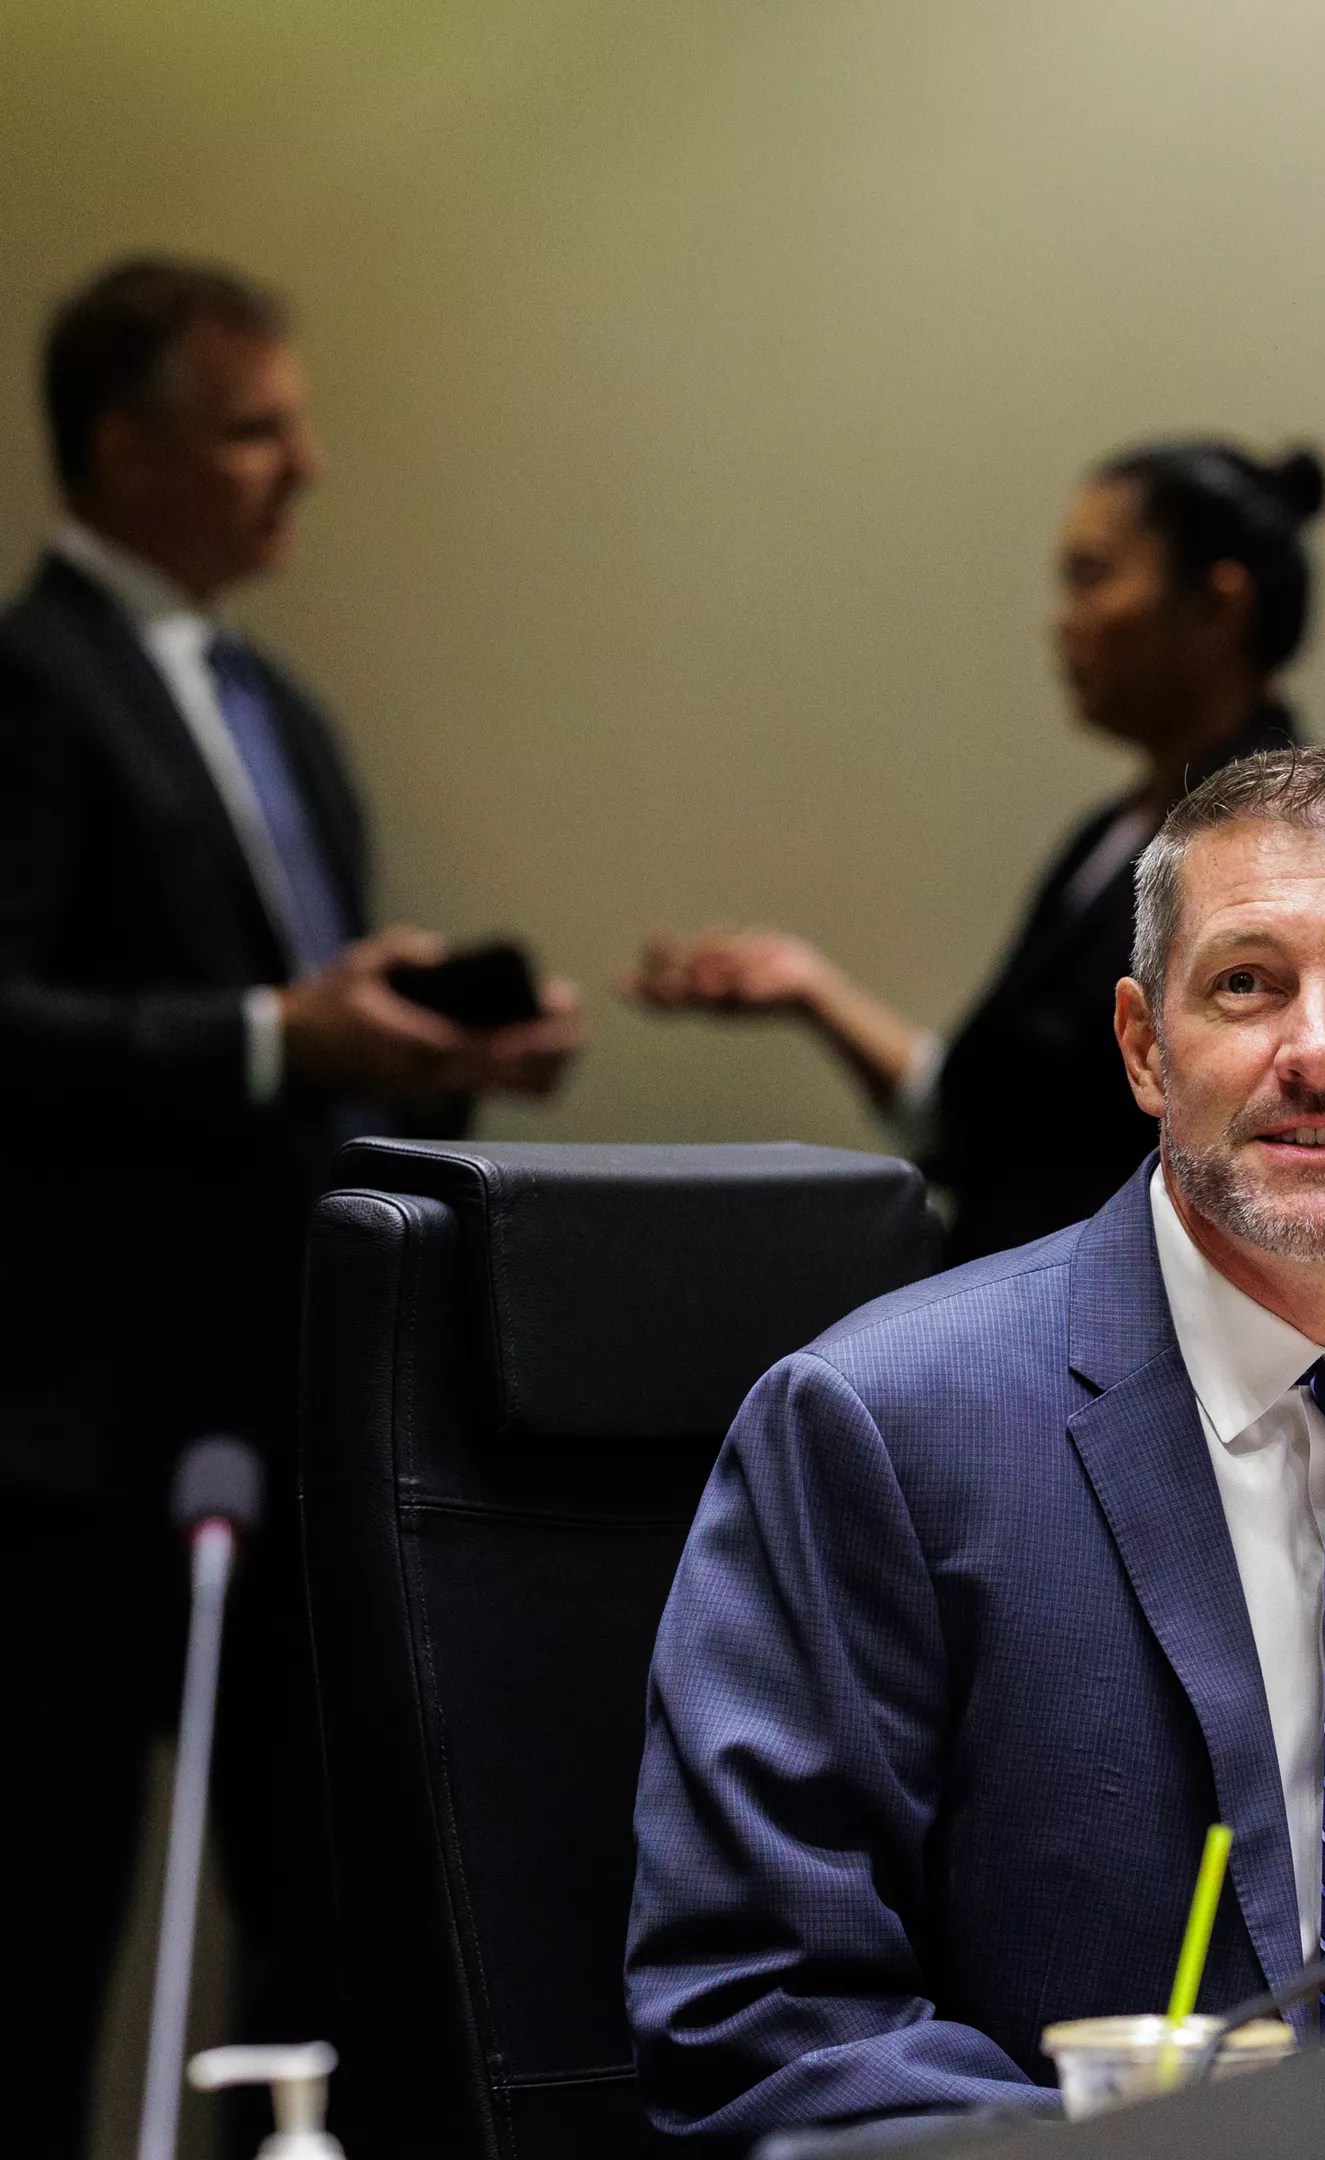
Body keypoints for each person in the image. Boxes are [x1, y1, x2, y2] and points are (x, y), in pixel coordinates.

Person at [627, 744, 1325, 2139]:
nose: (1316, 1050)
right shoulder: (880, 1428)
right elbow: (766, 2019)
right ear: (1147, 1047)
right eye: (1248, 985)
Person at [0, 256, 579, 2154]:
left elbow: (297, 1022)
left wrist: (404, 1045)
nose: (304, 466)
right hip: (78, 1436)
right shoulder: (33, 680)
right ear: (119, 448)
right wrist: (274, 1030)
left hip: (289, 1405)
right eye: (255, 427)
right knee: (45, 1917)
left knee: (325, 1918)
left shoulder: (278, 706)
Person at [626, 439, 1325, 1261]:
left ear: (1218, 606)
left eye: (1093, 577)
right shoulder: (1115, 836)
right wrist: (810, 990)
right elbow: (987, 1128)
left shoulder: (1278, 850)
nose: (1062, 620)